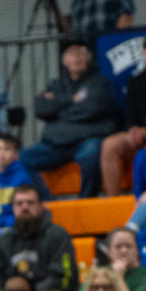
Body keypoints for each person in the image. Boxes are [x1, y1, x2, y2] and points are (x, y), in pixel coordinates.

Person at [20, 40, 120, 197]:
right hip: (56, 145)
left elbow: (91, 109)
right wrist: (72, 100)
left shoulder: (99, 83)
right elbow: (41, 108)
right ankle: (46, 201)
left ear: (88, 57)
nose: (76, 58)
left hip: (85, 141)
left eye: (80, 52)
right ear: (64, 60)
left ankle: (86, 202)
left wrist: (59, 111)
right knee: (23, 157)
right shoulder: (56, 84)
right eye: (71, 53)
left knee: (93, 152)